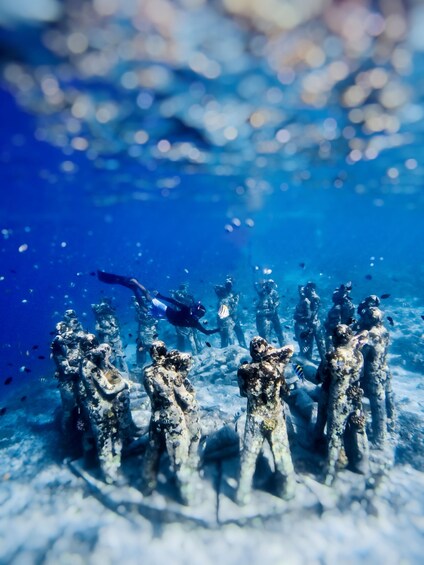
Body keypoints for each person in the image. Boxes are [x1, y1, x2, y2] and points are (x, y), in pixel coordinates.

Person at [236, 336, 296, 505]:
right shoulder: (276, 368)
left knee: (248, 456)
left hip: (255, 417)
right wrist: (271, 352)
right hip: (275, 416)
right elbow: (290, 349)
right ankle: (287, 491)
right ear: (266, 349)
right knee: (282, 454)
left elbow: (242, 393)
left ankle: (242, 495)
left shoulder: (243, 370)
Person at [97, 271, 219, 336]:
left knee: (148, 297)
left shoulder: (187, 309)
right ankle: (134, 289)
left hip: (166, 312)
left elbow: (173, 301)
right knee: (144, 309)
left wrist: (161, 296)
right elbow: (207, 333)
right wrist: (218, 330)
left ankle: (136, 284)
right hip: (166, 318)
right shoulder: (195, 323)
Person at [324, 325, 369, 486]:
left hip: (339, 396)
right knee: (357, 428)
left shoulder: (334, 355)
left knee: (335, 434)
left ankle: (330, 472)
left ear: (335, 338)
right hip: (355, 394)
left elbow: (326, 374)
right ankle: (361, 462)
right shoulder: (358, 354)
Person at [214, 276, 247, 348]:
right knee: (225, 335)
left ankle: (243, 346)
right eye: (227, 284)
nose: (229, 286)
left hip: (233, 317)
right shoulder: (222, 293)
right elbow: (215, 288)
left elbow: (235, 305)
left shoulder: (233, 294)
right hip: (224, 318)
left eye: (230, 284)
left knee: (239, 332)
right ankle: (226, 350)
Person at [254, 279, 284, 347]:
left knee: (279, 330)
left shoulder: (274, 292)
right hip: (266, 315)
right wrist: (263, 287)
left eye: (271, 284)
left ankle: (283, 345)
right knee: (266, 331)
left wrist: (274, 306)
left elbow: (278, 300)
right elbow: (259, 292)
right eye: (269, 284)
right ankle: (267, 346)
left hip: (274, 313)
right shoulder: (263, 291)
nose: (270, 285)